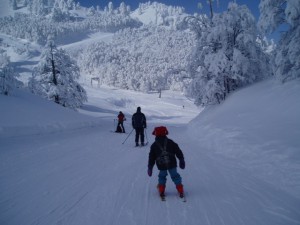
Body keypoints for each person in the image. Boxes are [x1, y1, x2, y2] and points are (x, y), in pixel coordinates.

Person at [147, 126, 186, 198]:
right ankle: (180, 189)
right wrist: (181, 159)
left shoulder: (154, 145)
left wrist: (150, 167)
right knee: (175, 176)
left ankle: (161, 190)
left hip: (161, 165)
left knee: (162, 176)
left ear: (156, 134)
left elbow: (151, 157)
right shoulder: (171, 142)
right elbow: (178, 151)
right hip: (172, 163)